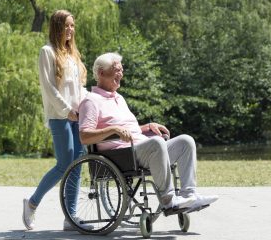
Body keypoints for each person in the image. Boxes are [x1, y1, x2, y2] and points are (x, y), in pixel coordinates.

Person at [79, 52, 218, 213]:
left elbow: (129, 129)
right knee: (157, 142)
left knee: (186, 141)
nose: (121, 74)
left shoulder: (119, 98)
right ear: (101, 73)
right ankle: (168, 200)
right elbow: (84, 136)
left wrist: (147, 127)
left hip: (140, 149)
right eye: (117, 70)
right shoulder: (91, 101)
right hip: (120, 156)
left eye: (121, 70)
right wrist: (113, 130)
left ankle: (189, 196)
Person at [22, 10, 88, 231]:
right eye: (66, 25)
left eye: (73, 26)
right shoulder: (47, 52)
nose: (70, 30)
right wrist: (67, 109)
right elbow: (48, 87)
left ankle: (71, 217)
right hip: (60, 116)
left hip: (78, 116)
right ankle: (32, 203)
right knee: (63, 164)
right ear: (57, 27)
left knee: (77, 164)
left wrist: (87, 105)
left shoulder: (73, 55)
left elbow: (79, 88)